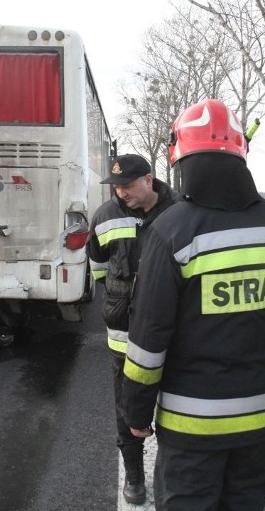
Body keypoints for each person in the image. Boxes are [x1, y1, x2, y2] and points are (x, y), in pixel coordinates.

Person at [121, 99, 265, 510]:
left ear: (180, 156)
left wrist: (136, 411)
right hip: (258, 415)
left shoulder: (172, 230)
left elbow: (149, 339)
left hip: (191, 425)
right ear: (240, 153)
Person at [86, 153, 180, 505]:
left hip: (173, 335)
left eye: (126, 185)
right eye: (115, 187)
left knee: (174, 406)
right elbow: (98, 268)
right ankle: (135, 477)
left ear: (149, 179)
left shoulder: (179, 211)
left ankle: (172, 473)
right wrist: (118, 301)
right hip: (124, 335)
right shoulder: (105, 216)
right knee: (127, 407)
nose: (120, 193)